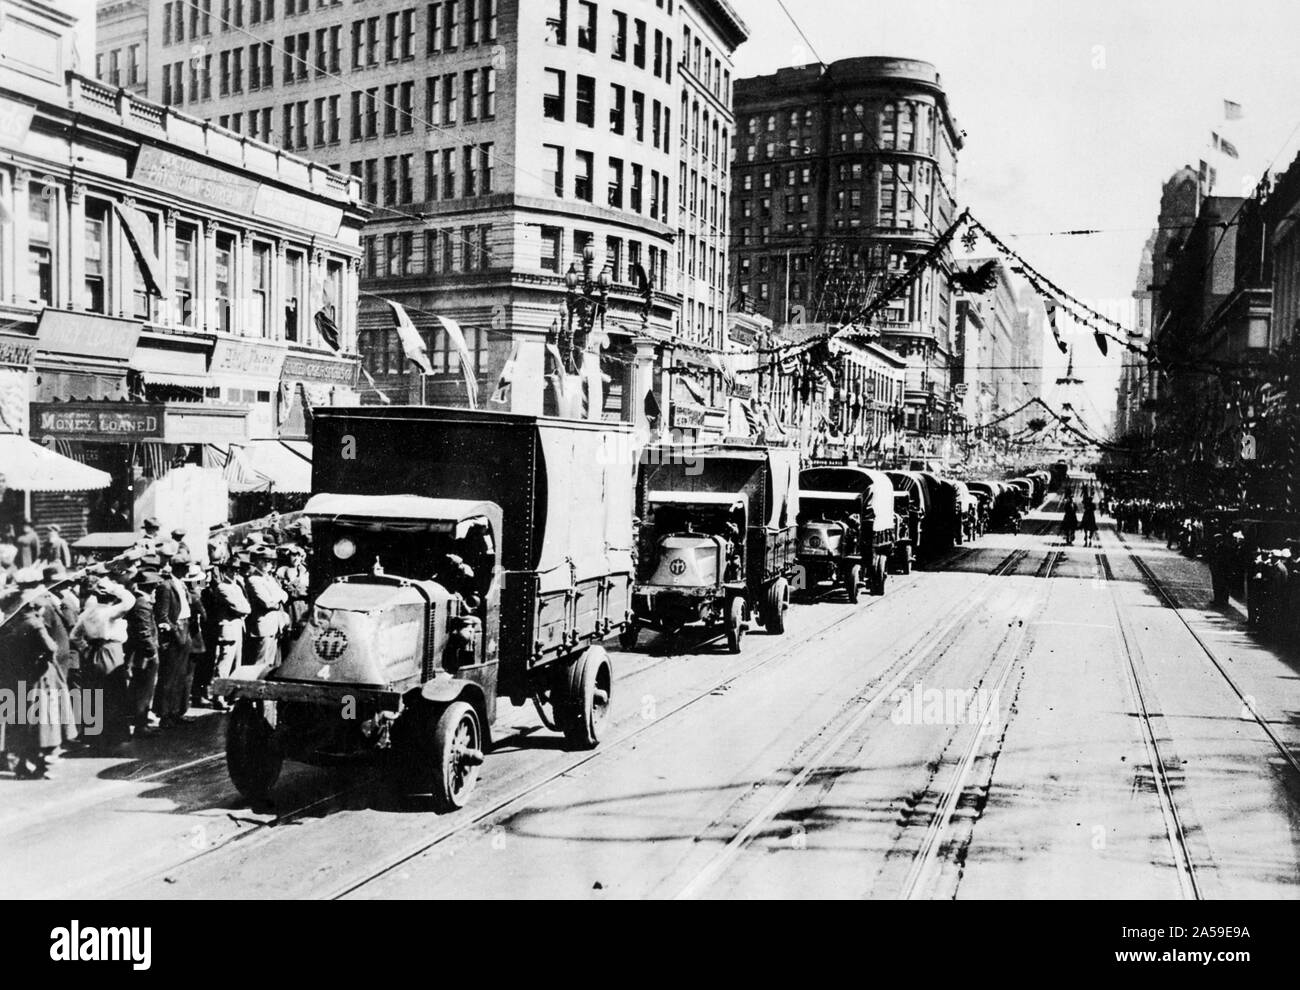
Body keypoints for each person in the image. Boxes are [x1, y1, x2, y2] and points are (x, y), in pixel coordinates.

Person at [3, 584, 73, 778]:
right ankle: (43, 763)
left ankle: (21, 764)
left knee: (21, 722)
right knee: (44, 722)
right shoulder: (34, 624)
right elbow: (51, 647)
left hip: (17, 676)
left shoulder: (10, 623)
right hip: (39, 677)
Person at [70, 577, 136, 748]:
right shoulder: (110, 612)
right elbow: (130, 600)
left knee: (94, 693)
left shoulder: (87, 613)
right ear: (110, 597)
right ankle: (114, 735)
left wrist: (85, 649)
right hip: (111, 651)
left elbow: (74, 636)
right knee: (114, 692)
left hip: (93, 652)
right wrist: (116, 588)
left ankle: (93, 735)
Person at [152, 559, 193, 728]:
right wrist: (175, 632)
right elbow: (162, 615)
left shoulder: (181, 584)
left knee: (181, 675)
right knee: (169, 676)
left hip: (185, 628)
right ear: (178, 568)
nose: (187, 570)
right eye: (185, 567)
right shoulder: (166, 586)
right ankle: (165, 714)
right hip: (175, 633)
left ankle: (176, 711)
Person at [125, 569, 163, 739]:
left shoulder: (140, 602)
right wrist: (152, 651)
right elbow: (144, 632)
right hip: (144, 655)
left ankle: (141, 721)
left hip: (142, 653)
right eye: (154, 586)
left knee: (142, 688)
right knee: (144, 689)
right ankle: (140, 725)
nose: (155, 589)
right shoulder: (142, 604)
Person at [209, 558, 251, 710]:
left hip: (237, 627)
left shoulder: (236, 586)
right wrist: (244, 609)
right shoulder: (223, 587)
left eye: (237, 570)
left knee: (236, 663)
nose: (234, 573)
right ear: (225, 570)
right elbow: (242, 607)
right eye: (232, 570)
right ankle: (218, 696)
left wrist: (245, 608)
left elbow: (246, 605)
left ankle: (229, 694)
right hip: (228, 629)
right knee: (224, 664)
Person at [245, 547, 288, 667]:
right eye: (264, 560)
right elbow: (267, 602)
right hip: (264, 625)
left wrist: (277, 598)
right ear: (257, 562)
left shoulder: (269, 578)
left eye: (269, 561)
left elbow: (284, 595)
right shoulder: (254, 580)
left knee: (270, 662)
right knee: (260, 663)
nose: (267, 564)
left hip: (274, 624)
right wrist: (278, 598)